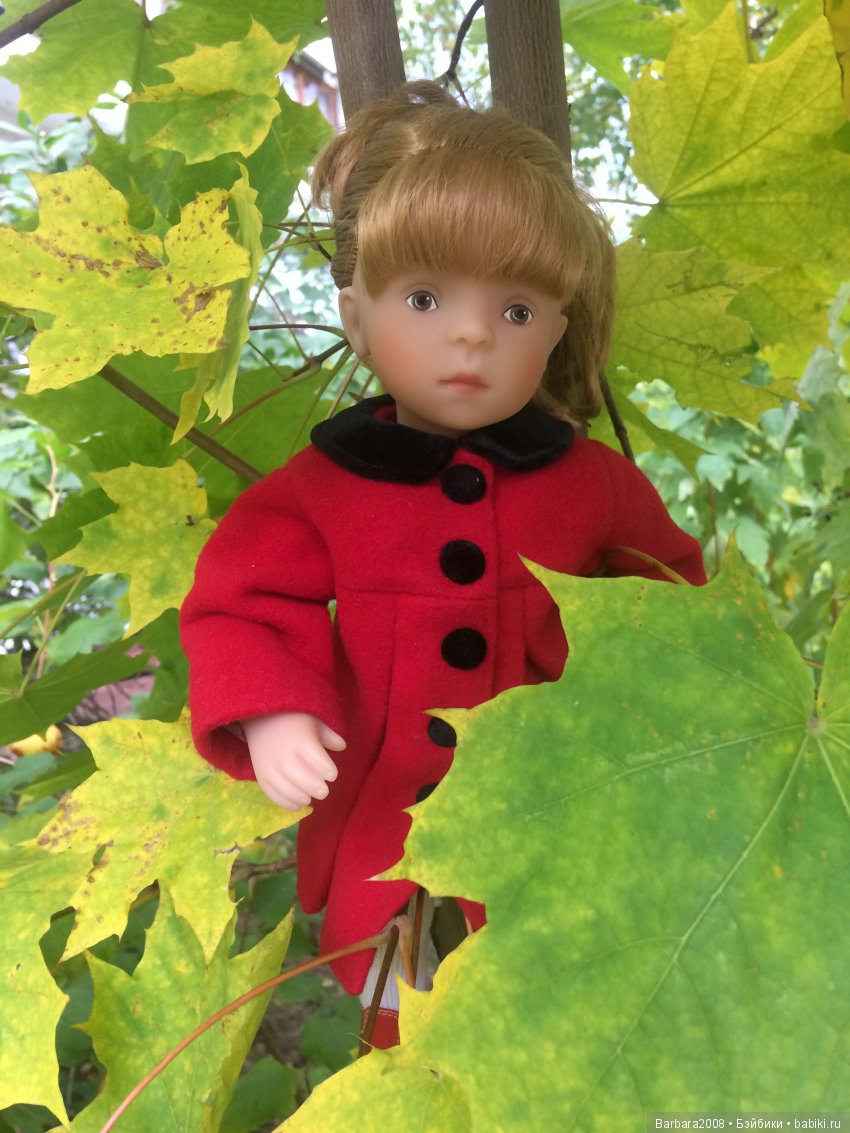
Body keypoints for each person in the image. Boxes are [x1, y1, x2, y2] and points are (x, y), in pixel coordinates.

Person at [179, 81, 706, 1050]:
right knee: (401, 1006)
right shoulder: (323, 489)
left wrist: (637, 707)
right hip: (389, 814)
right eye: (424, 298)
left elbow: (669, 605)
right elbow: (241, 601)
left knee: (555, 991)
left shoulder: (593, 486)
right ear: (356, 316)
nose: (471, 334)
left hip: (552, 802)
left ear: (556, 330)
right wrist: (273, 706)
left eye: (517, 309)